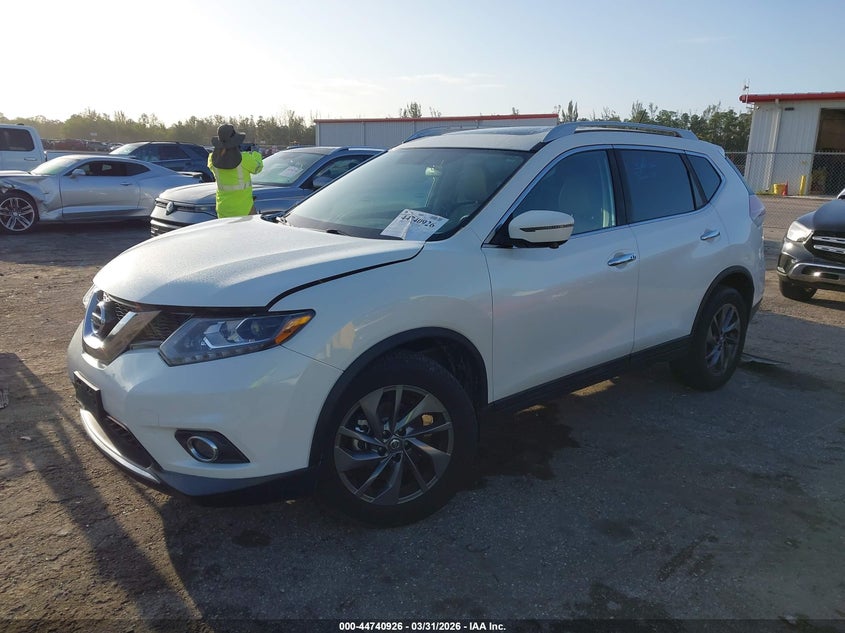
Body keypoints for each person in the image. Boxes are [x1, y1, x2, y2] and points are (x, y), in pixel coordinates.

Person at [208, 124, 264, 218]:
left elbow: (223, 160)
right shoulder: (244, 158)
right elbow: (258, 168)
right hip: (245, 209)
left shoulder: (212, 159)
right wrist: (256, 153)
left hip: (223, 209)